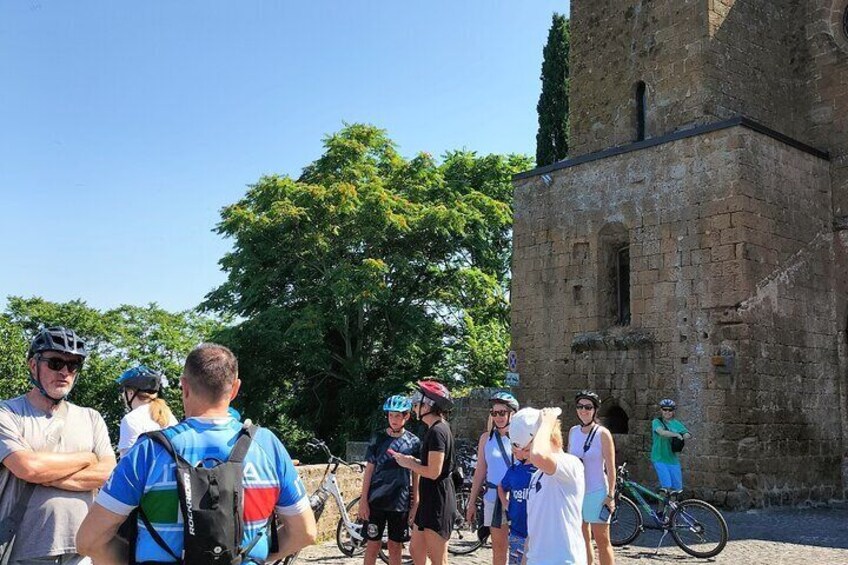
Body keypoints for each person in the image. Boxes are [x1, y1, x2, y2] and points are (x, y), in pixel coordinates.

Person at [76, 343, 317, 564]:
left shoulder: (148, 451)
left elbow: (89, 540)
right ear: (235, 389)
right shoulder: (268, 446)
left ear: (185, 386)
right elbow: (305, 532)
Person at [0, 326, 115, 565]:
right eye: (55, 363)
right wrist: (86, 458)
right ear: (33, 365)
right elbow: (28, 467)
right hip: (23, 551)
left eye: (72, 365)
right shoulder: (7, 413)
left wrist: (46, 474)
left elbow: (108, 473)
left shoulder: (91, 417)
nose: (64, 372)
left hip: (82, 550)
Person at [511, 407, 586, 565]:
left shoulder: (571, 464)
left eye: (527, 449)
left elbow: (539, 455)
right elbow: (533, 533)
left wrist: (546, 422)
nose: (525, 455)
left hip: (564, 560)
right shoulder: (536, 476)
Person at [392, 380, 455, 565]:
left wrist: (408, 464)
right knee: (416, 549)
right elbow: (434, 465)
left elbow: (434, 472)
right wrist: (415, 461)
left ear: (429, 405)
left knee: (438, 559)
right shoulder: (433, 429)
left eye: (418, 401)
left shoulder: (437, 432)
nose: (414, 405)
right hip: (430, 499)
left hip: (438, 500)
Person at [359, 395, 421, 565]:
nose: (393, 419)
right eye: (391, 415)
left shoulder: (414, 442)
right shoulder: (377, 438)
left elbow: (416, 474)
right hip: (376, 500)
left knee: (395, 546)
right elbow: (369, 470)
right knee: (372, 545)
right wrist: (363, 500)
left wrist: (415, 502)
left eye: (398, 415)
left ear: (406, 416)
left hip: (399, 502)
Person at [467, 391, 520, 565]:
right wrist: (472, 501)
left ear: (512, 413)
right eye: (494, 413)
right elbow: (480, 471)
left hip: (518, 498)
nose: (498, 417)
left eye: (502, 413)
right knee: (498, 549)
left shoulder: (521, 438)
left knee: (522, 547)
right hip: (493, 499)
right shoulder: (486, 439)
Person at [566, 391, 616, 565]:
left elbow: (610, 467)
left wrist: (610, 495)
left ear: (595, 410)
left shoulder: (603, 434)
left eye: (588, 407)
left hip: (596, 492)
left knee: (602, 541)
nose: (583, 411)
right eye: (580, 407)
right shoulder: (573, 432)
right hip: (577, 493)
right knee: (581, 539)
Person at [116, 365, 178, 457]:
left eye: (123, 391)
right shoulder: (169, 416)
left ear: (130, 393)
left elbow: (127, 465)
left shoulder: (131, 420)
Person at [497, 443, 536, 565]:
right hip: (516, 530)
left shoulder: (540, 470)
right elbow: (501, 486)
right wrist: (506, 503)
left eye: (516, 451)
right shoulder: (514, 470)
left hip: (535, 530)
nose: (515, 454)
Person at [651, 399, 691, 491]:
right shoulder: (657, 422)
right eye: (665, 409)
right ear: (661, 410)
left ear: (673, 411)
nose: (667, 412)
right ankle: (662, 505)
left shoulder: (676, 423)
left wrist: (683, 435)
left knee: (677, 489)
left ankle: (672, 505)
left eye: (670, 410)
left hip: (673, 460)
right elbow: (661, 432)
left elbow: (687, 434)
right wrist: (676, 434)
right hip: (659, 458)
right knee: (666, 487)